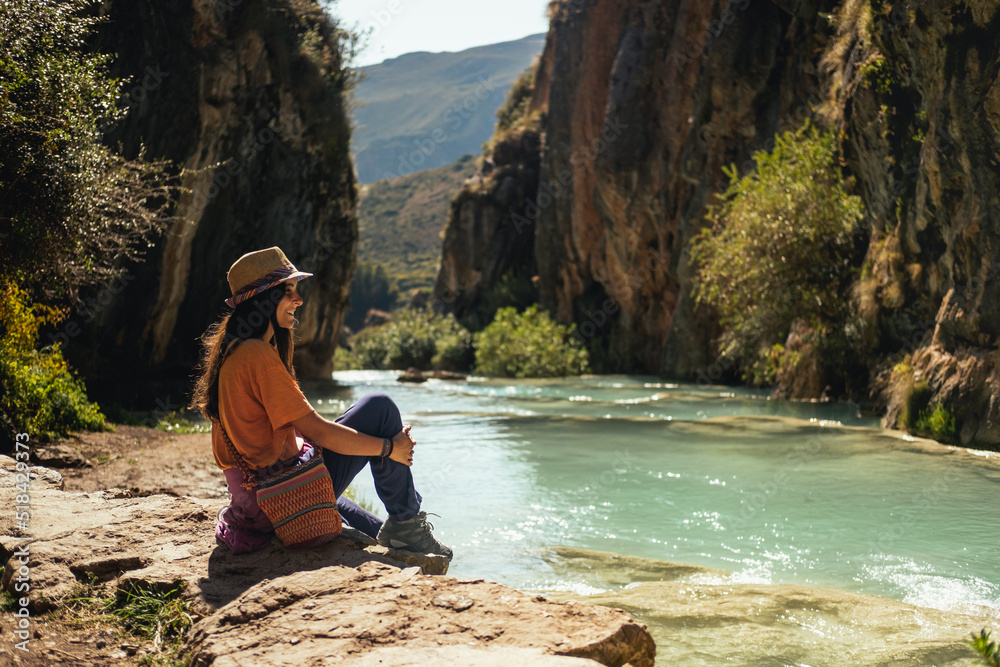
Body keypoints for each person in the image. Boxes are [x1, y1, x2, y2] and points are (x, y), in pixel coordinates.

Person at [190, 246, 451, 558]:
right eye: (289, 292)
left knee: (356, 518)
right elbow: (322, 432)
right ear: (264, 298)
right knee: (380, 409)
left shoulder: (231, 353)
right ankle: (407, 522)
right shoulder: (256, 355)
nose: (298, 300)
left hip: (258, 505)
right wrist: (391, 448)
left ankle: (396, 533)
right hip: (278, 500)